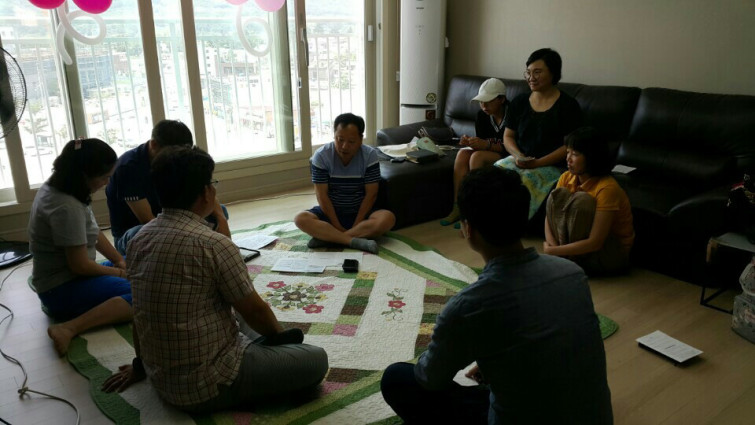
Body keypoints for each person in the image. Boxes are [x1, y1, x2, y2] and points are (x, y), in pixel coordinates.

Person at [101, 146, 328, 412]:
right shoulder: (213, 245)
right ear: (206, 192)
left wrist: (141, 365)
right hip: (210, 384)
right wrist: (280, 340)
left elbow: (140, 313)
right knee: (315, 359)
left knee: (234, 303)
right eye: (212, 183)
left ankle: (263, 348)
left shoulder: (138, 240)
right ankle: (266, 353)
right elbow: (255, 311)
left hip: (159, 376)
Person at [381, 166, 613, 425]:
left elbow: (429, 378)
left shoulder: (468, 306)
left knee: (396, 378)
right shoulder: (571, 274)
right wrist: (494, 358)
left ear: (468, 229)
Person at [28, 138, 132, 356]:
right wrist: (121, 273)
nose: (106, 183)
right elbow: (80, 266)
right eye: (104, 178)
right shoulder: (67, 206)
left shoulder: (62, 187)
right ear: (84, 174)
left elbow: (92, 231)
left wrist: (118, 260)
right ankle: (68, 328)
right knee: (142, 294)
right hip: (61, 288)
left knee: (136, 265)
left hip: (70, 277)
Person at [105, 119, 229, 255]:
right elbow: (147, 220)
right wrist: (186, 233)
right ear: (154, 145)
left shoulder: (177, 160)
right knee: (138, 232)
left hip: (171, 217)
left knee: (219, 211)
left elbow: (205, 192)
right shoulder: (128, 168)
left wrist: (221, 219)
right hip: (137, 229)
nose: (176, 157)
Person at [496, 47, 582, 219]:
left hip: (552, 165)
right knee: (492, 176)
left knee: (524, 183)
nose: (531, 78)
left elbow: (569, 146)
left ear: (553, 73)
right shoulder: (519, 102)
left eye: (537, 72)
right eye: (528, 72)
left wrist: (537, 163)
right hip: (520, 160)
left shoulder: (568, 106)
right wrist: (518, 155)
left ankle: (513, 225)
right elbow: (508, 136)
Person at [294, 113, 395, 254]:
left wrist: (357, 223)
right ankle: (353, 240)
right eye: (340, 140)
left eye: (351, 142)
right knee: (300, 219)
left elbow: (371, 194)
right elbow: (322, 196)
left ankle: (330, 238)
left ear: (360, 139)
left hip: (360, 212)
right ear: (334, 135)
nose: (344, 146)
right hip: (330, 213)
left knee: (388, 219)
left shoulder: (369, 155)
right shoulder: (322, 156)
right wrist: (336, 225)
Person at [544, 127, 634, 274]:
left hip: (610, 252)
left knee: (582, 201)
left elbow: (595, 242)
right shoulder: (567, 177)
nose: (568, 158)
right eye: (568, 152)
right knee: (557, 195)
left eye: (575, 154)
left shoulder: (607, 188)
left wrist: (553, 251)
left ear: (592, 157)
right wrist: (553, 247)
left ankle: (567, 260)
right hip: (576, 248)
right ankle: (567, 259)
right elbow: (550, 216)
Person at [441, 78, 508, 228]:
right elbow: (482, 142)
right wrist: (471, 142)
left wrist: (486, 145)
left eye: (488, 101)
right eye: (481, 101)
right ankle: (458, 206)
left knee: (477, 157)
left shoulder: (512, 115)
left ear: (502, 99)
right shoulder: (482, 115)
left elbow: (514, 145)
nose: (484, 105)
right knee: (463, 154)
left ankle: (474, 211)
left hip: (508, 154)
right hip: (489, 151)